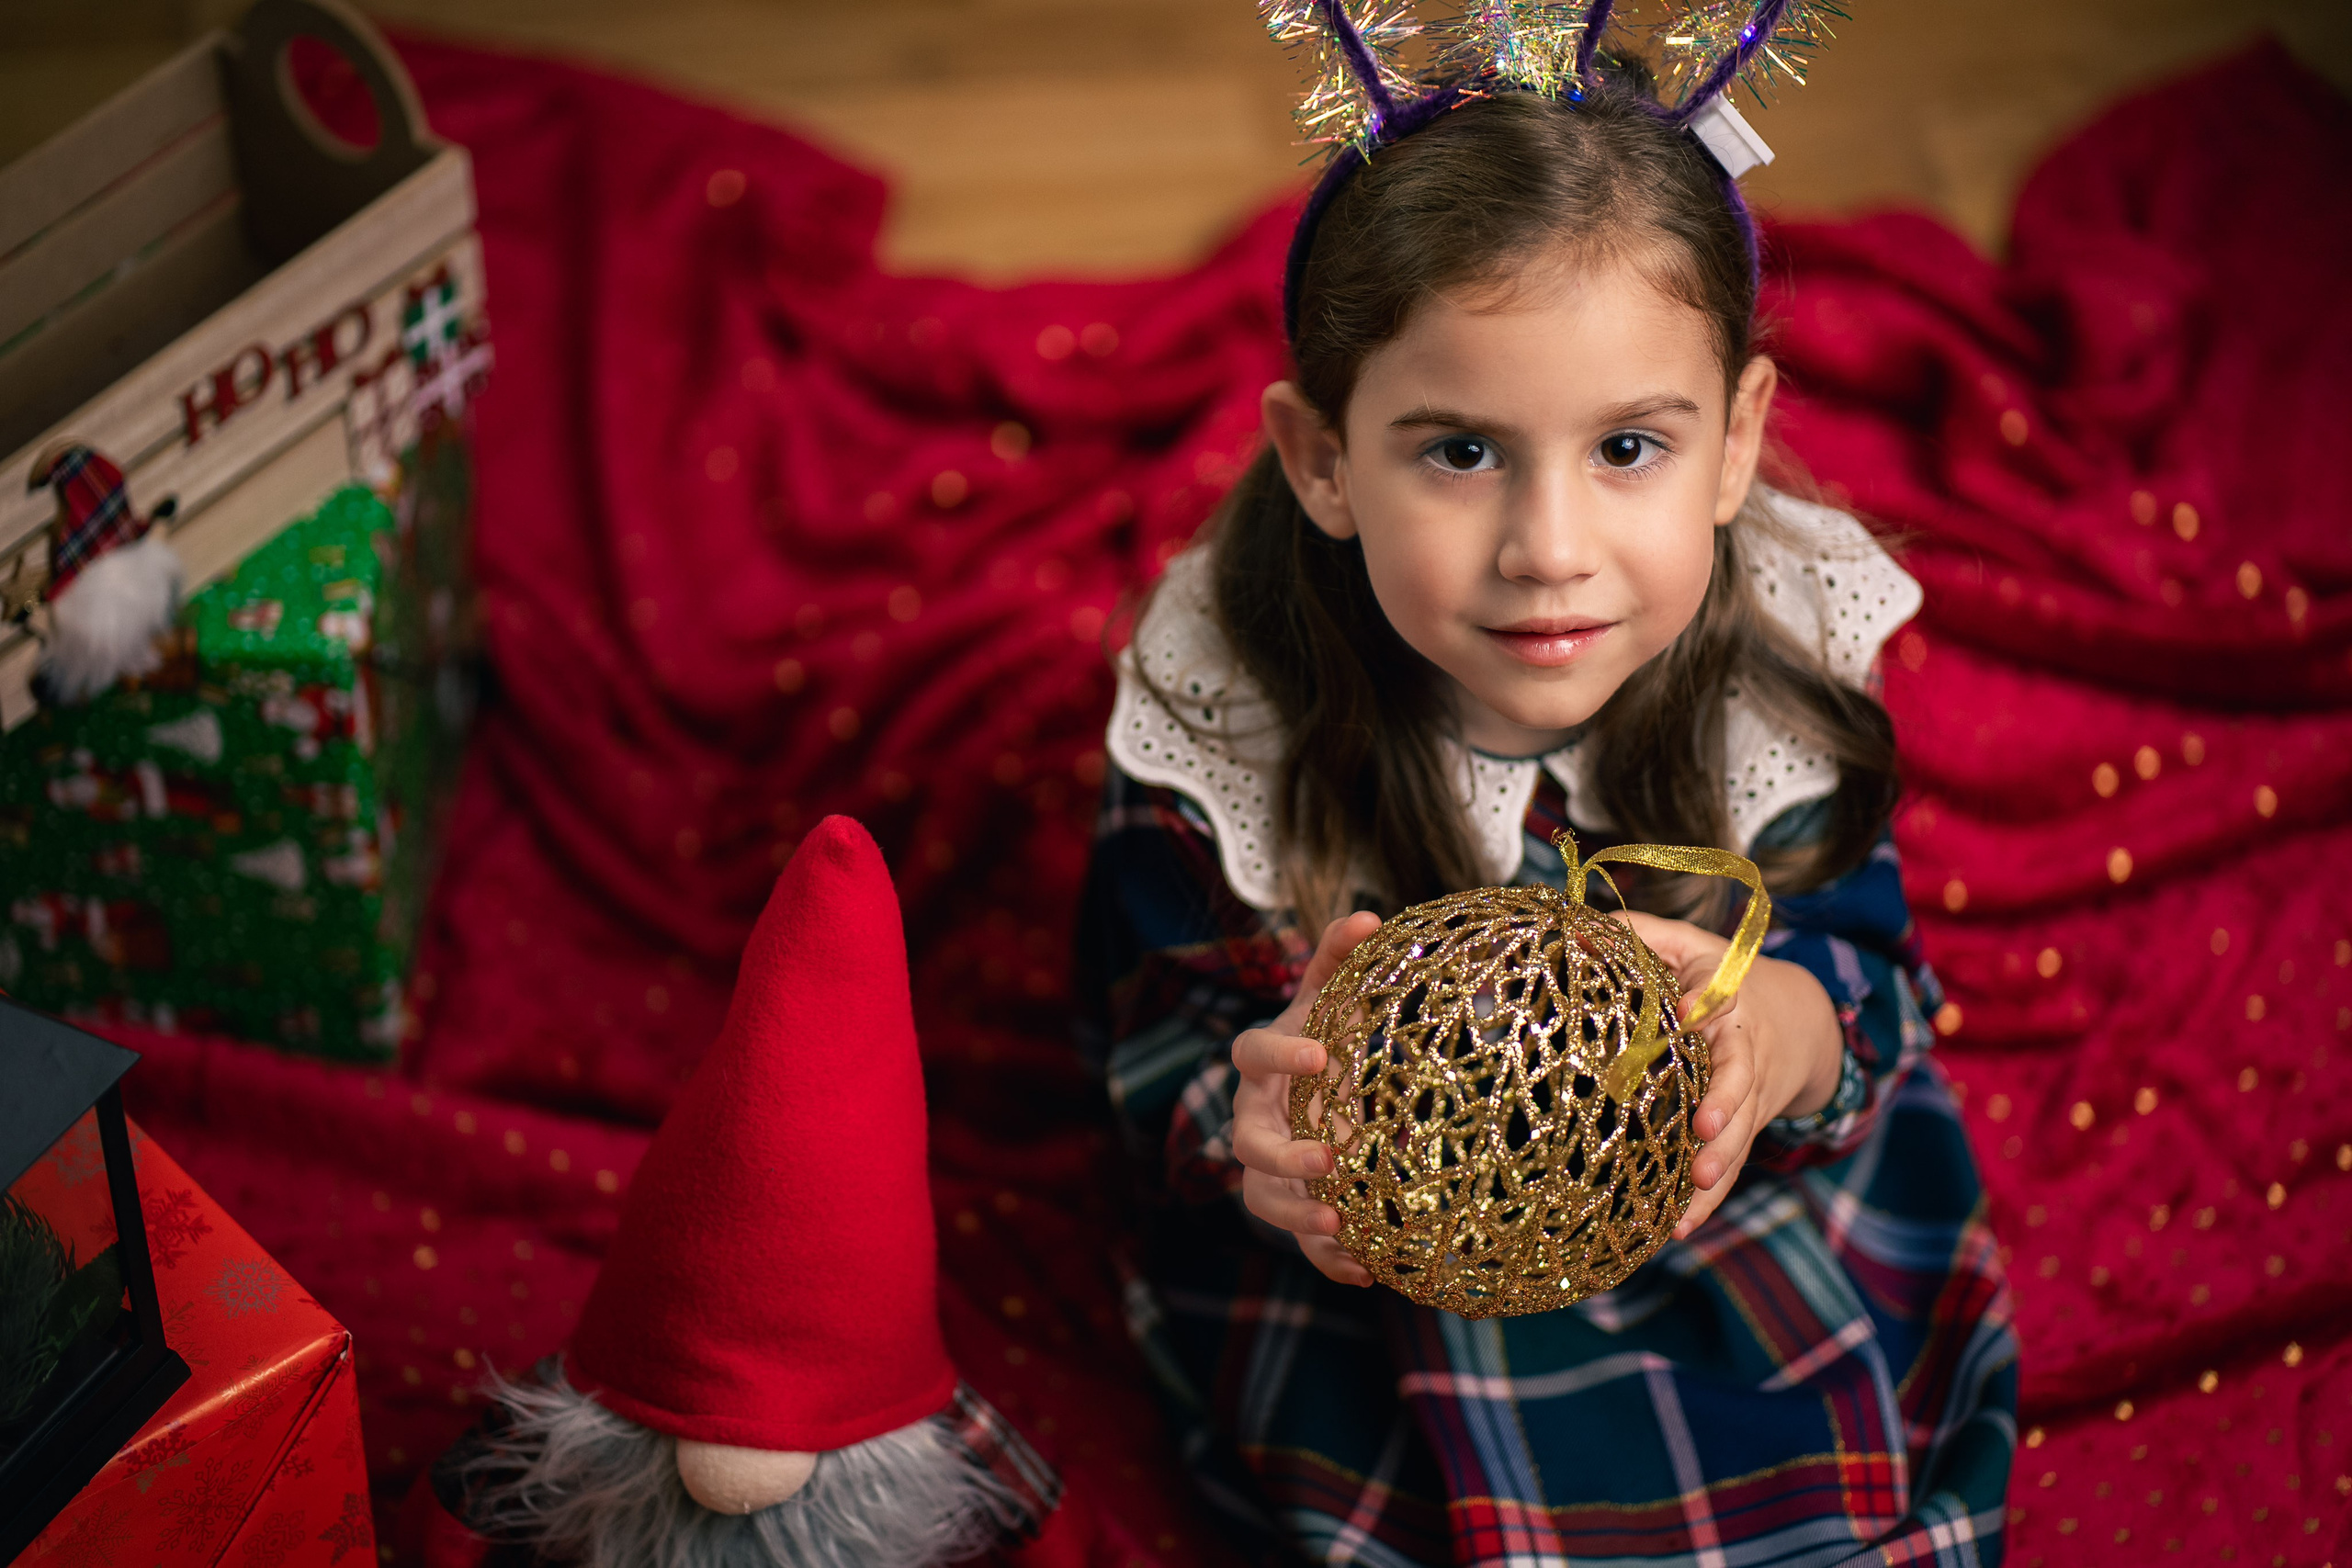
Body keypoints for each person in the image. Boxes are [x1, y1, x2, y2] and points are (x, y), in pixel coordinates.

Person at [1073, 28, 2019, 1568]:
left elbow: (1870, 970)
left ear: (1739, 443)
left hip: (1717, 1196)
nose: (1549, 548)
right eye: (1459, 451)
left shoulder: (1771, 674)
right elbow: (1152, 1044)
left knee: (1817, 1494)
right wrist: (1255, 1133)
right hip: (1381, 1257)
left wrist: (1774, 1044)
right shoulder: (1224, 719)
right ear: (1322, 463)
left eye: (1631, 447)